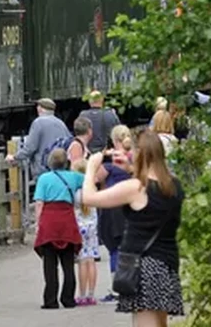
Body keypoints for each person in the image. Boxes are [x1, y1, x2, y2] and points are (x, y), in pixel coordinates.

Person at [82, 131, 185, 326]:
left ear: (139, 153)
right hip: (167, 263)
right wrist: (130, 168)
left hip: (143, 266)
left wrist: (91, 168)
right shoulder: (174, 185)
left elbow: (89, 198)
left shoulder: (136, 188)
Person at [32, 148, 83, 310]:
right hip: (67, 220)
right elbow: (92, 180)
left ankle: (51, 300)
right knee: (68, 263)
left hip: (49, 221)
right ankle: (68, 298)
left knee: (50, 264)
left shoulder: (44, 178)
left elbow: (39, 203)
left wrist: (37, 224)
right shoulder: (74, 177)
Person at [94, 125, 135, 303]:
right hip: (130, 202)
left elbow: (96, 178)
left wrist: (97, 160)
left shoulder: (111, 160)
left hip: (113, 205)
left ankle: (116, 288)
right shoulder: (133, 158)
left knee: (114, 247)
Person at [5, 98, 71, 180]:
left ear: (40, 109)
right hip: (61, 171)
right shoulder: (61, 124)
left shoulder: (38, 123)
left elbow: (30, 148)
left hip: (43, 170)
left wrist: (15, 157)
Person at [70, 158, 99, 306]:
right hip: (92, 226)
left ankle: (81, 295)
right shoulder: (92, 189)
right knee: (91, 260)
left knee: (82, 262)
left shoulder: (75, 192)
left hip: (79, 226)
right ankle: (91, 295)